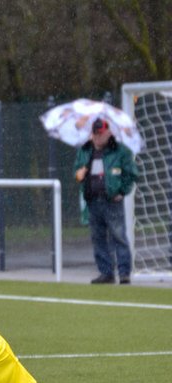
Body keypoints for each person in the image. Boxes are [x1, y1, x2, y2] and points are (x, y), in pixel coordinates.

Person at [74, 117, 139, 284]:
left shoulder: (120, 151)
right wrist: (79, 174)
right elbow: (77, 172)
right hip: (93, 201)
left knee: (119, 237)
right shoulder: (85, 150)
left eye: (101, 133)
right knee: (98, 238)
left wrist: (122, 191)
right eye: (95, 134)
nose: (97, 137)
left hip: (111, 201)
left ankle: (124, 273)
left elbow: (132, 174)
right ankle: (106, 273)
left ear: (109, 132)